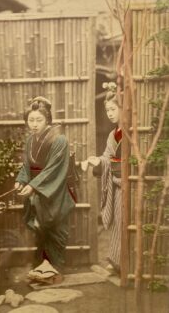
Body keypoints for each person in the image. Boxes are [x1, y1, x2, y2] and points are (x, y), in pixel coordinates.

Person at [14, 96, 75, 284]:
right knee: (40, 232)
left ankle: (55, 272)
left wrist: (33, 186)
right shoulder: (30, 141)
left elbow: (53, 169)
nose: (34, 124)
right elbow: (26, 165)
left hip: (55, 192)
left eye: (38, 120)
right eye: (30, 120)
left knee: (56, 231)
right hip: (38, 193)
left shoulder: (59, 140)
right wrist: (21, 180)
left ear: (47, 119)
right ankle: (43, 271)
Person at [87, 83, 122, 274]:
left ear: (123, 108)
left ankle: (123, 261)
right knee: (118, 222)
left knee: (126, 223)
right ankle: (117, 261)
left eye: (113, 109)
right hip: (117, 184)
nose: (109, 113)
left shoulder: (133, 133)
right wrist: (97, 160)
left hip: (129, 183)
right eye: (107, 109)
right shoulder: (112, 134)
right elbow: (108, 157)